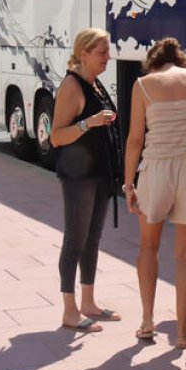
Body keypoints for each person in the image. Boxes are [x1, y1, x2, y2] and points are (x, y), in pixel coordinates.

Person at [122, 37, 186, 348]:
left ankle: (147, 323)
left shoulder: (143, 85)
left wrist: (128, 182)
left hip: (156, 170)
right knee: (185, 257)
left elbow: (135, 138)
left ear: (153, 63)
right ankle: (182, 333)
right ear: (181, 59)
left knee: (149, 247)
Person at [49, 28, 123, 334]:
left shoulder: (95, 84)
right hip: (79, 176)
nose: (108, 57)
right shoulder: (72, 85)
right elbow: (56, 136)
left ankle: (89, 302)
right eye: (102, 52)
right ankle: (70, 309)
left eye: (108, 51)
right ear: (84, 53)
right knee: (74, 241)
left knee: (92, 240)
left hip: (99, 174)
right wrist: (89, 123)